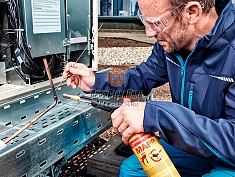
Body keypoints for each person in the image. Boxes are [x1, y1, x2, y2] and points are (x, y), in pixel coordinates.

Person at [63, 0, 235, 176]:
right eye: (145, 21)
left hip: (229, 158)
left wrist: (156, 115)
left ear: (192, 12)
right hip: (193, 145)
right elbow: (141, 75)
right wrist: (97, 80)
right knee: (132, 170)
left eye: (156, 23)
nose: (148, 33)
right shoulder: (173, 43)